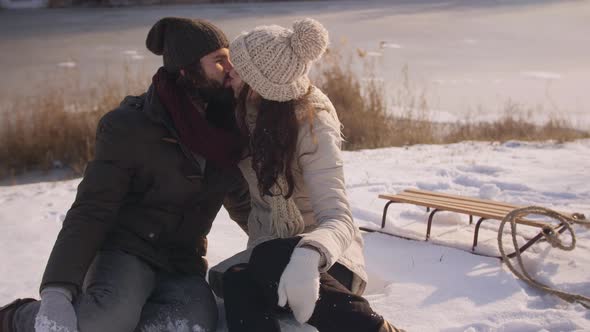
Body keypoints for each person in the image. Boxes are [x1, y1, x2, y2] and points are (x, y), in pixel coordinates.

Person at [0, 17, 250, 332]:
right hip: (125, 251)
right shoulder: (130, 127)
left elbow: (245, 203)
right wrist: (57, 291)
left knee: (189, 326)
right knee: (102, 323)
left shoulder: (229, 128)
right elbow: (92, 209)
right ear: (187, 70)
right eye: (219, 60)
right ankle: (17, 316)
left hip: (182, 262)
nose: (230, 68)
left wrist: (288, 249)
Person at [208, 18, 402, 332]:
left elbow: (339, 218)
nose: (228, 67)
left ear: (260, 83)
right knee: (236, 281)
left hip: (326, 262)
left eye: (239, 66)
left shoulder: (313, 122)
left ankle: (378, 330)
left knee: (271, 258)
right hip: (270, 254)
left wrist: (308, 256)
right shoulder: (241, 113)